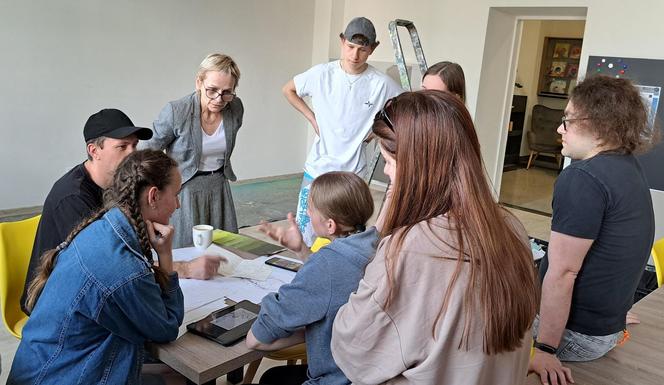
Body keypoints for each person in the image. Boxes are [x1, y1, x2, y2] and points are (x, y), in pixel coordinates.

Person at [330, 91, 539, 384]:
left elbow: (353, 349)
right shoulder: (511, 227)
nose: (388, 173)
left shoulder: (411, 248)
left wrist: (381, 235)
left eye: (389, 162)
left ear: (416, 166)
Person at [8, 150, 185, 384]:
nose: (179, 204)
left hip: (44, 367)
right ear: (153, 196)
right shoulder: (124, 270)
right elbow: (167, 327)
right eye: (176, 194)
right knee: (178, 377)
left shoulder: (103, 228)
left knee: (166, 374)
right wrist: (165, 256)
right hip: (61, 376)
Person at [20, 109, 221, 315]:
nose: (131, 154)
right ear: (93, 150)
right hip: (54, 305)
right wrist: (184, 269)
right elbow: (110, 265)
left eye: (134, 145)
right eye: (122, 147)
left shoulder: (120, 188)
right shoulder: (73, 198)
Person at [529, 76, 655, 385]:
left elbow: (563, 273)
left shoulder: (582, 178)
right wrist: (613, 313)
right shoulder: (626, 166)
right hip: (605, 329)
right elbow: (620, 251)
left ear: (600, 126)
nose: (560, 129)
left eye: (567, 121)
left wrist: (544, 349)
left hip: (576, 338)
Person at [245, 171, 377, 385]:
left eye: (311, 208)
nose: (306, 211)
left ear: (330, 225)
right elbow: (337, 278)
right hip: (362, 371)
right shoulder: (375, 244)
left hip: (335, 377)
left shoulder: (326, 264)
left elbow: (257, 339)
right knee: (274, 377)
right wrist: (302, 250)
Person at [283, 17, 403, 246]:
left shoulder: (381, 83)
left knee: (345, 238)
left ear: (373, 48)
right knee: (305, 235)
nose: (354, 55)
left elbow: (405, 108)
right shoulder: (321, 74)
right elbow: (288, 89)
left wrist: (377, 132)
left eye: (362, 50)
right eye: (350, 47)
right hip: (317, 169)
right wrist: (312, 118)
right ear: (342, 41)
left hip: (352, 173)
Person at [141, 53, 243, 248]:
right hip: (184, 189)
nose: (219, 99)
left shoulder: (235, 108)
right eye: (212, 90)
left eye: (227, 92)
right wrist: (161, 188)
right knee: (186, 249)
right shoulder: (177, 112)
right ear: (199, 82)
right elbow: (147, 152)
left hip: (219, 186)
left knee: (227, 250)